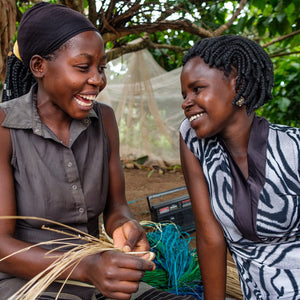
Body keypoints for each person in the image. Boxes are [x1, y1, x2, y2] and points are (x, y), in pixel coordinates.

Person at [0, 2, 196, 300]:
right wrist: (86, 267)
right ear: (39, 66)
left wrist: (125, 228)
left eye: (101, 68)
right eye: (83, 67)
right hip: (26, 283)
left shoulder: (103, 120)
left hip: (97, 278)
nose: (98, 80)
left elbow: (115, 208)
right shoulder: (4, 127)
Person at [179, 35, 299, 300]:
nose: (186, 102)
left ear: (239, 85)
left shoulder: (294, 148)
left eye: (197, 89)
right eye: (184, 94)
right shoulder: (194, 141)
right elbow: (210, 236)